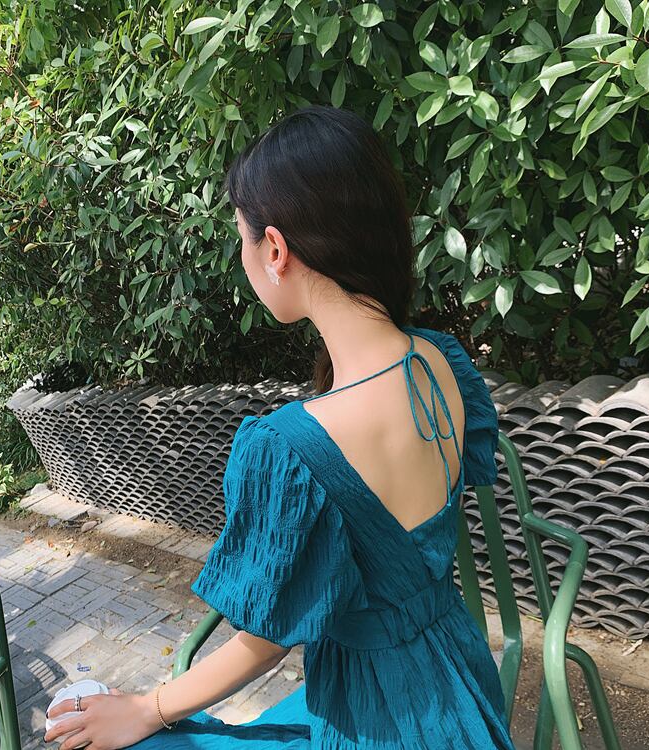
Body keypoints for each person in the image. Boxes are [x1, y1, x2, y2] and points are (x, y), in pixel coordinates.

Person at [44, 104, 516, 750]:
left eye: (241, 238)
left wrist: (147, 708)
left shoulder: (291, 449)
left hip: (375, 718)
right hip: (459, 677)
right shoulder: (441, 361)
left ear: (274, 249)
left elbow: (266, 639)